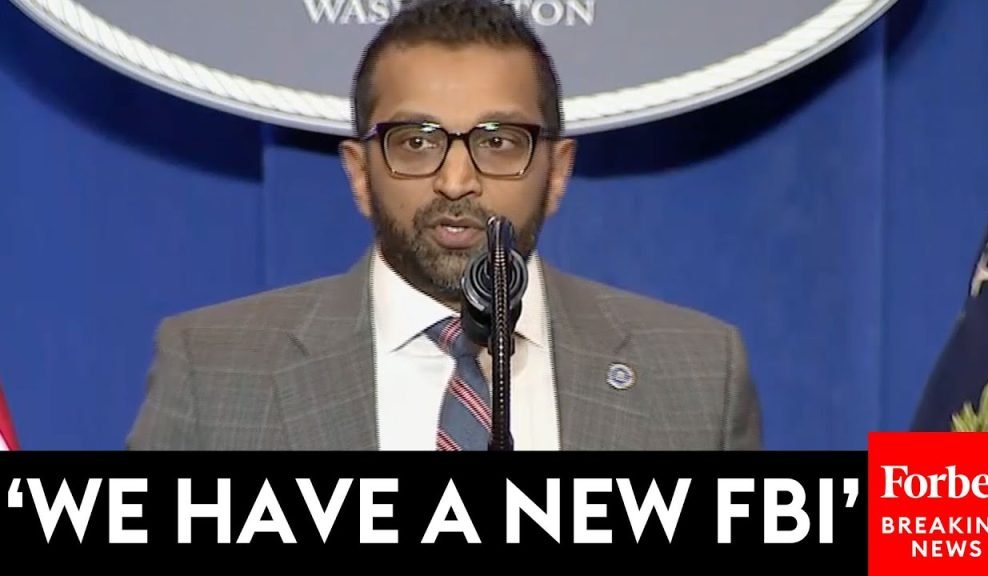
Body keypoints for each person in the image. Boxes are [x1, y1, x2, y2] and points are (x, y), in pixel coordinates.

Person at [126, 0, 761, 451]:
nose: (456, 182)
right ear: (359, 173)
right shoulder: (214, 371)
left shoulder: (698, 376)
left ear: (558, 172)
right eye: (416, 141)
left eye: (499, 141)